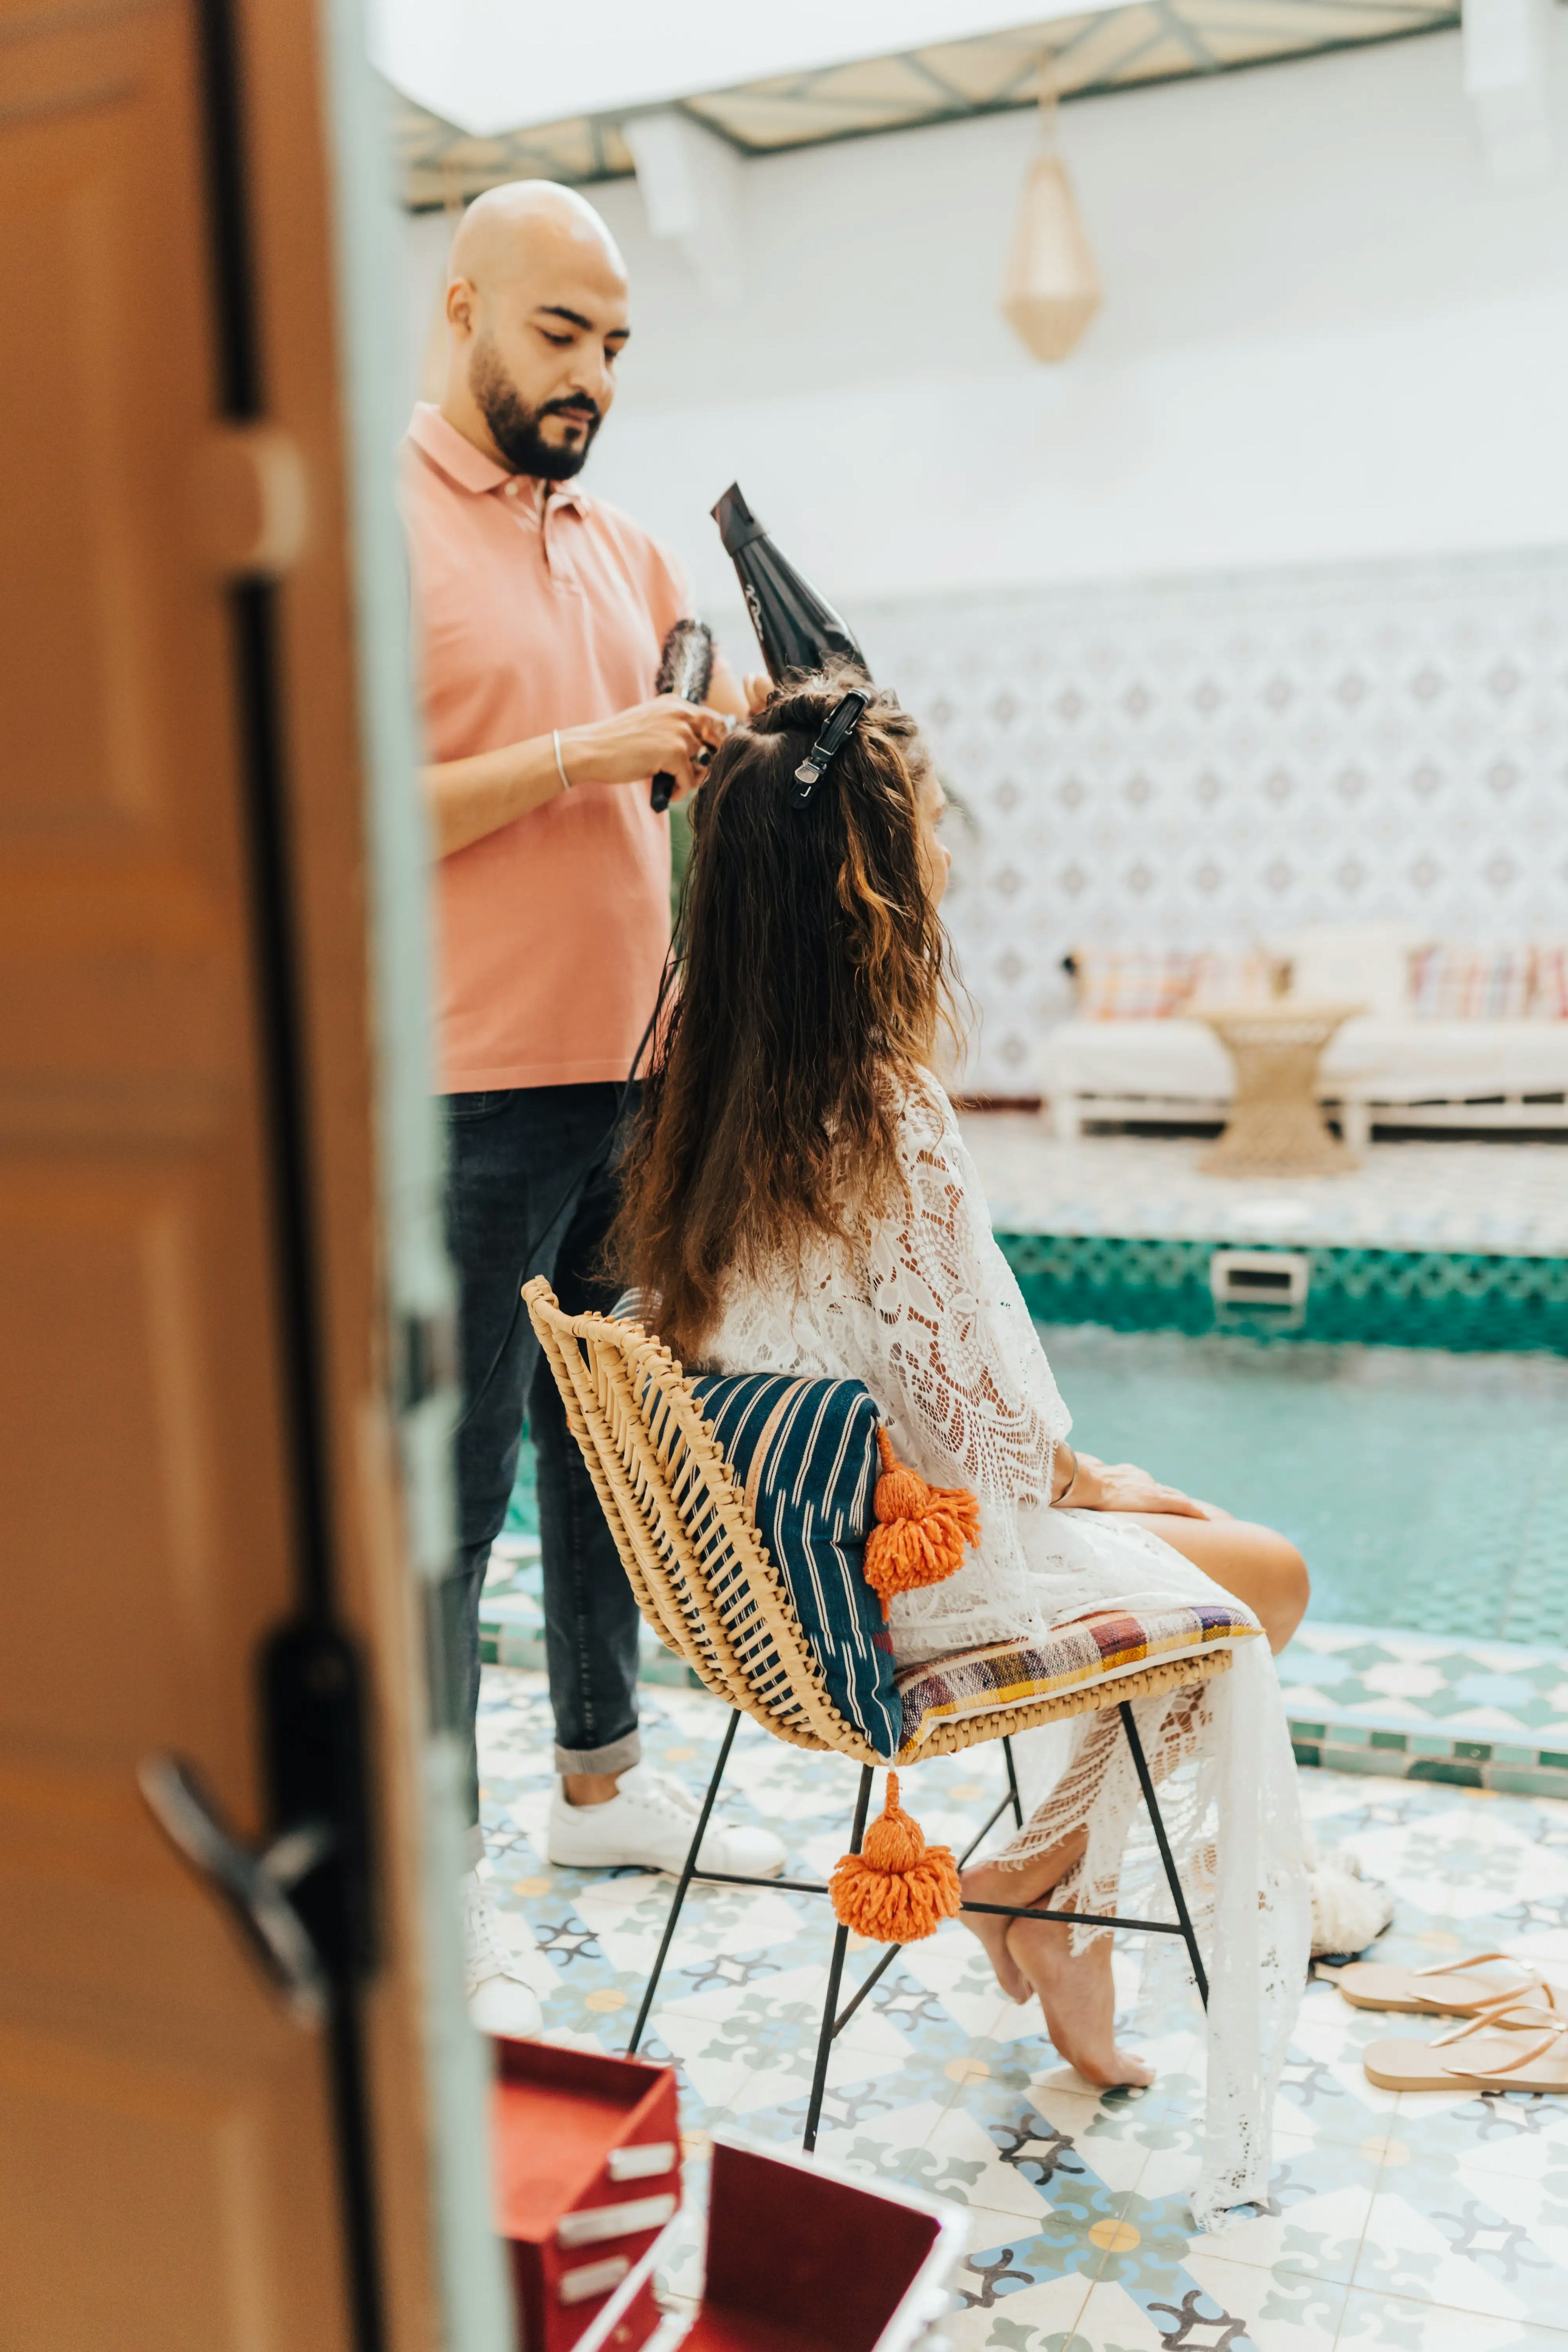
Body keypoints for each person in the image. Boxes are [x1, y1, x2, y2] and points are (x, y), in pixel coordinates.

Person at [610, 671, 1312, 2226]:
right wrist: (1098, 1481)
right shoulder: (884, 1110)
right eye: (921, 838)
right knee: (1265, 1580)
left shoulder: (701, 1099)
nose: (940, 866)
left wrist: (1074, 1478)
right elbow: (998, 1431)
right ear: (869, 886)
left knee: (1162, 1541)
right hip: (899, 1589)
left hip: (768, 1582)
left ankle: (1040, 1885)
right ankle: (1043, 1885)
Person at [399, 180, 784, 2037]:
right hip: (459, 1101)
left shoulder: (630, 551)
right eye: (562, 336)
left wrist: (772, 729)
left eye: (618, 347)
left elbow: (681, 767)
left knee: (607, 1468)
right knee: (448, 1498)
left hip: (635, 1082)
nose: (593, 377)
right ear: (466, 307)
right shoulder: (377, 534)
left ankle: (602, 1784)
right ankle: (435, 1870)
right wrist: (588, 752)